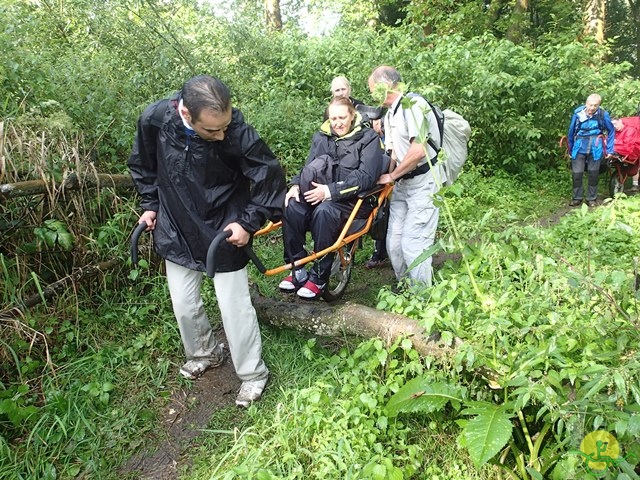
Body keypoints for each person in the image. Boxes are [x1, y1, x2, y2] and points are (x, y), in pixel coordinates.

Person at [128, 75, 286, 407]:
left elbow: (269, 177)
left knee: (234, 307)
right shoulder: (156, 119)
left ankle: (253, 374)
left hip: (225, 226)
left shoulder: (235, 130)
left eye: (225, 125)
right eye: (212, 130)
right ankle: (205, 352)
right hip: (177, 224)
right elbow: (144, 165)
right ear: (186, 113)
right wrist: (150, 206)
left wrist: (248, 222)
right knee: (183, 303)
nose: (222, 134)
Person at [279, 96, 385, 299]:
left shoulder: (368, 138)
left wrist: (329, 192)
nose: (338, 123)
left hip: (354, 200)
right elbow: (309, 165)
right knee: (292, 206)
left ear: (352, 115)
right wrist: (295, 185)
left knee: (324, 211)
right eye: (333, 118)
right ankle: (297, 269)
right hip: (321, 194)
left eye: (342, 117)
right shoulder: (322, 136)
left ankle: (319, 278)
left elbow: (366, 177)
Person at [368, 65, 444, 287]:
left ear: (385, 86)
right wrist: (385, 175)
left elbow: (418, 150)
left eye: (373, 89)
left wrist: (392, 176)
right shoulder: (390, 113)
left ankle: (424, 298)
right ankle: (407, 289)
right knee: (393, 244)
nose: (372, 95)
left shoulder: (413, 105)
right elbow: (393, 153)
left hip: (424, 182)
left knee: (414, 244)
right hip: (403, 184)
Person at [327, 76, 389, 269]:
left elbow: (376, 131)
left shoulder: (363, 109)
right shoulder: (330, 110)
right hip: (343, 165)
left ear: (349, 89)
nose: (340, 93)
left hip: (366, 160)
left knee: (381, 204)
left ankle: (380, 251)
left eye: (343, 89)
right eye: (337, 90)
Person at [567, 94, 615, 207]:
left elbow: (611, 131)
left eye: (595, 105)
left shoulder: (603, 114)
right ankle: (577, 198)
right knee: (577, 173)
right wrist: (570, 149)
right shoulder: (578, 114)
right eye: (590, 105)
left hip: (596, 146)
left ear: (599, 105)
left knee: (593, 174)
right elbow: (571, 132)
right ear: (586, 103)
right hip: (579, 146)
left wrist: (610, 150)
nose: (592, 108)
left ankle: (591, 199)